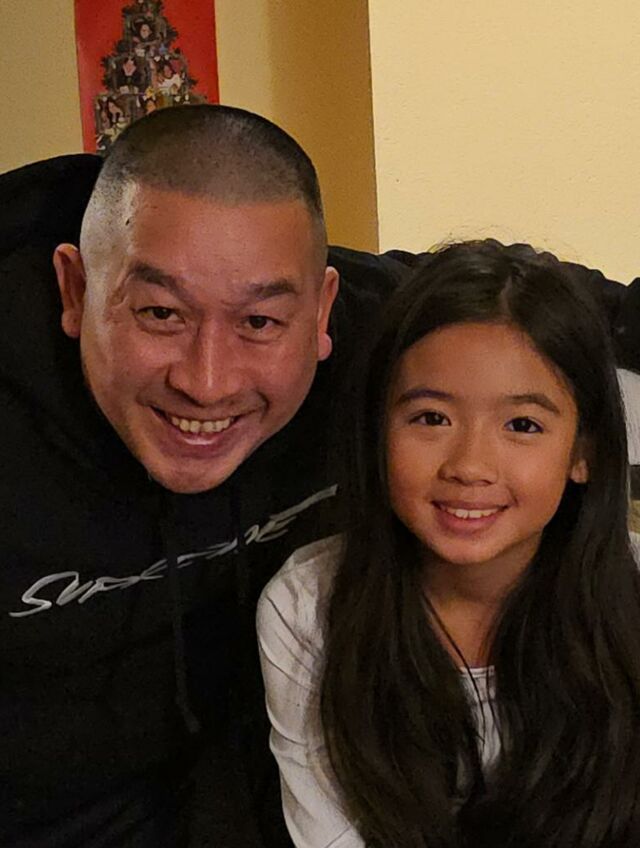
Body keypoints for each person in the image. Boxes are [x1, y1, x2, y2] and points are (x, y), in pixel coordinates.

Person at [0, 104, 638, 847]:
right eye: (161, 313)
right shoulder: (312, 608)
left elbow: (537, 307)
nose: (207, 382)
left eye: (259, 323)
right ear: (76, 291)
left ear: (323, 309)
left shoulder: (393, 337)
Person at [258, 240, 640, 848]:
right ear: (378, 427)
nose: (469, 466)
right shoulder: (307, 610)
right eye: (431, 418)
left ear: (583, 452)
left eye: (522, 425)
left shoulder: (628, 595)